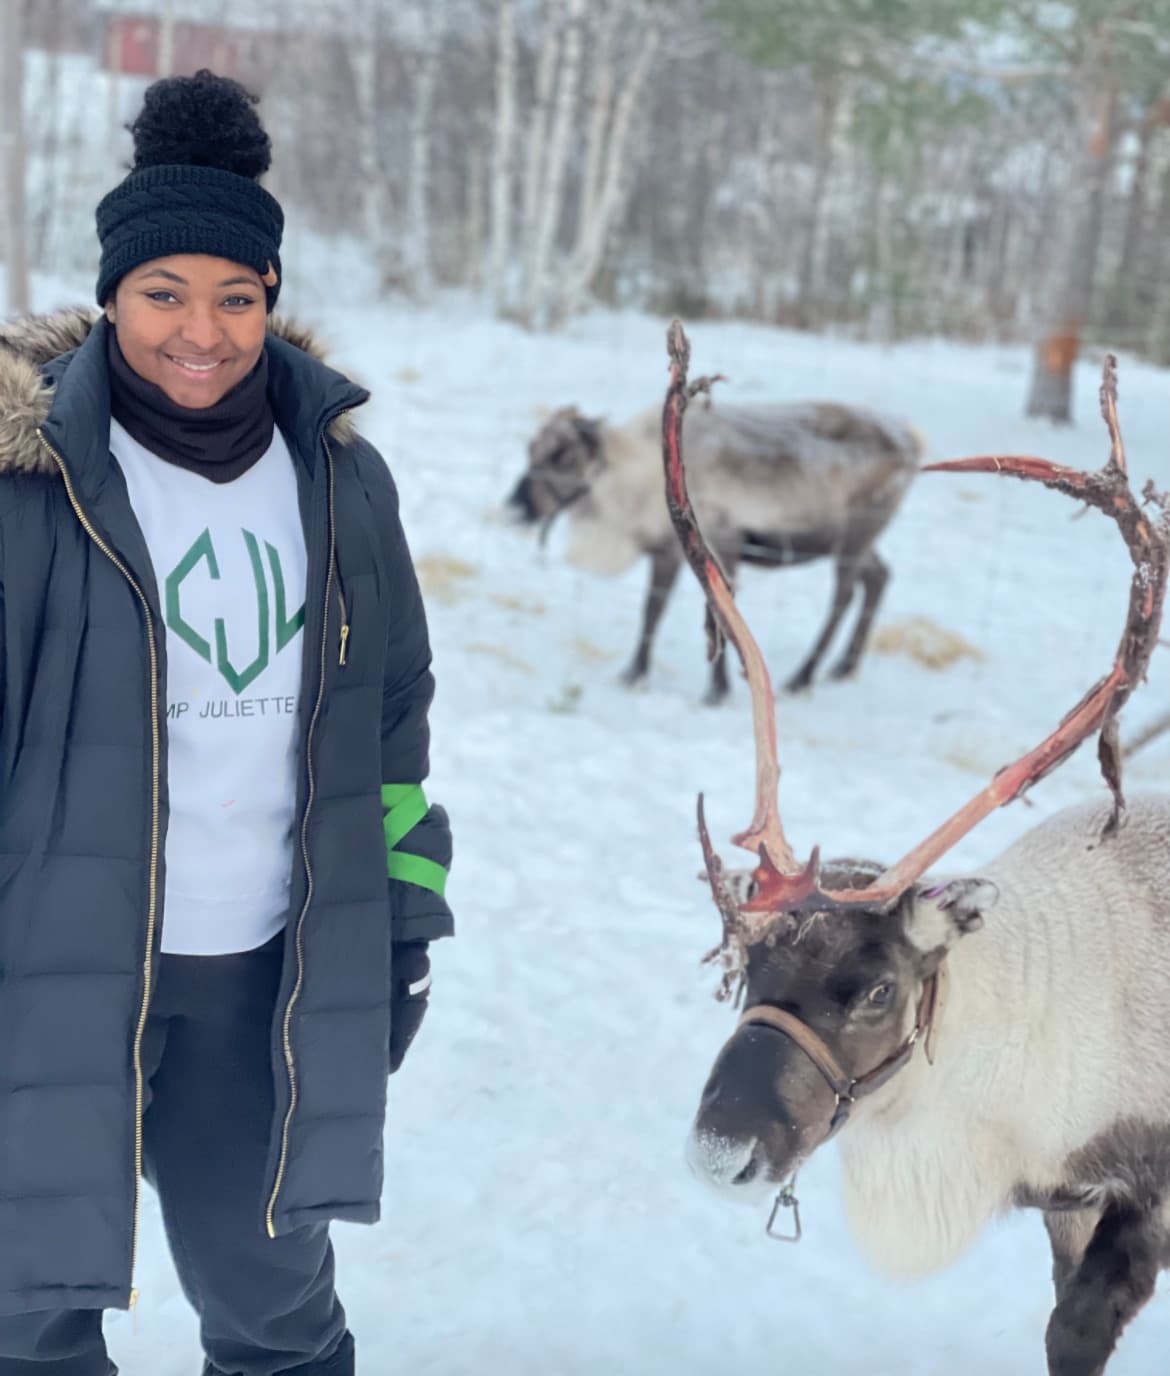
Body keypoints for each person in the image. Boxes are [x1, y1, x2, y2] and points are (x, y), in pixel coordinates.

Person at [0, 70, 453, 1376]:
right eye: (162, 293)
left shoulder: (338, 477)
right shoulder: (30, 486)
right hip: (41, 969)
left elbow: (395, 729)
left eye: (234, 297)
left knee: (276, 1316)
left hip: (256, 976)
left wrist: (405, 920)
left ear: (269, 301)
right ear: (109, 296)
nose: (200, 331)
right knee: (28, 1316)